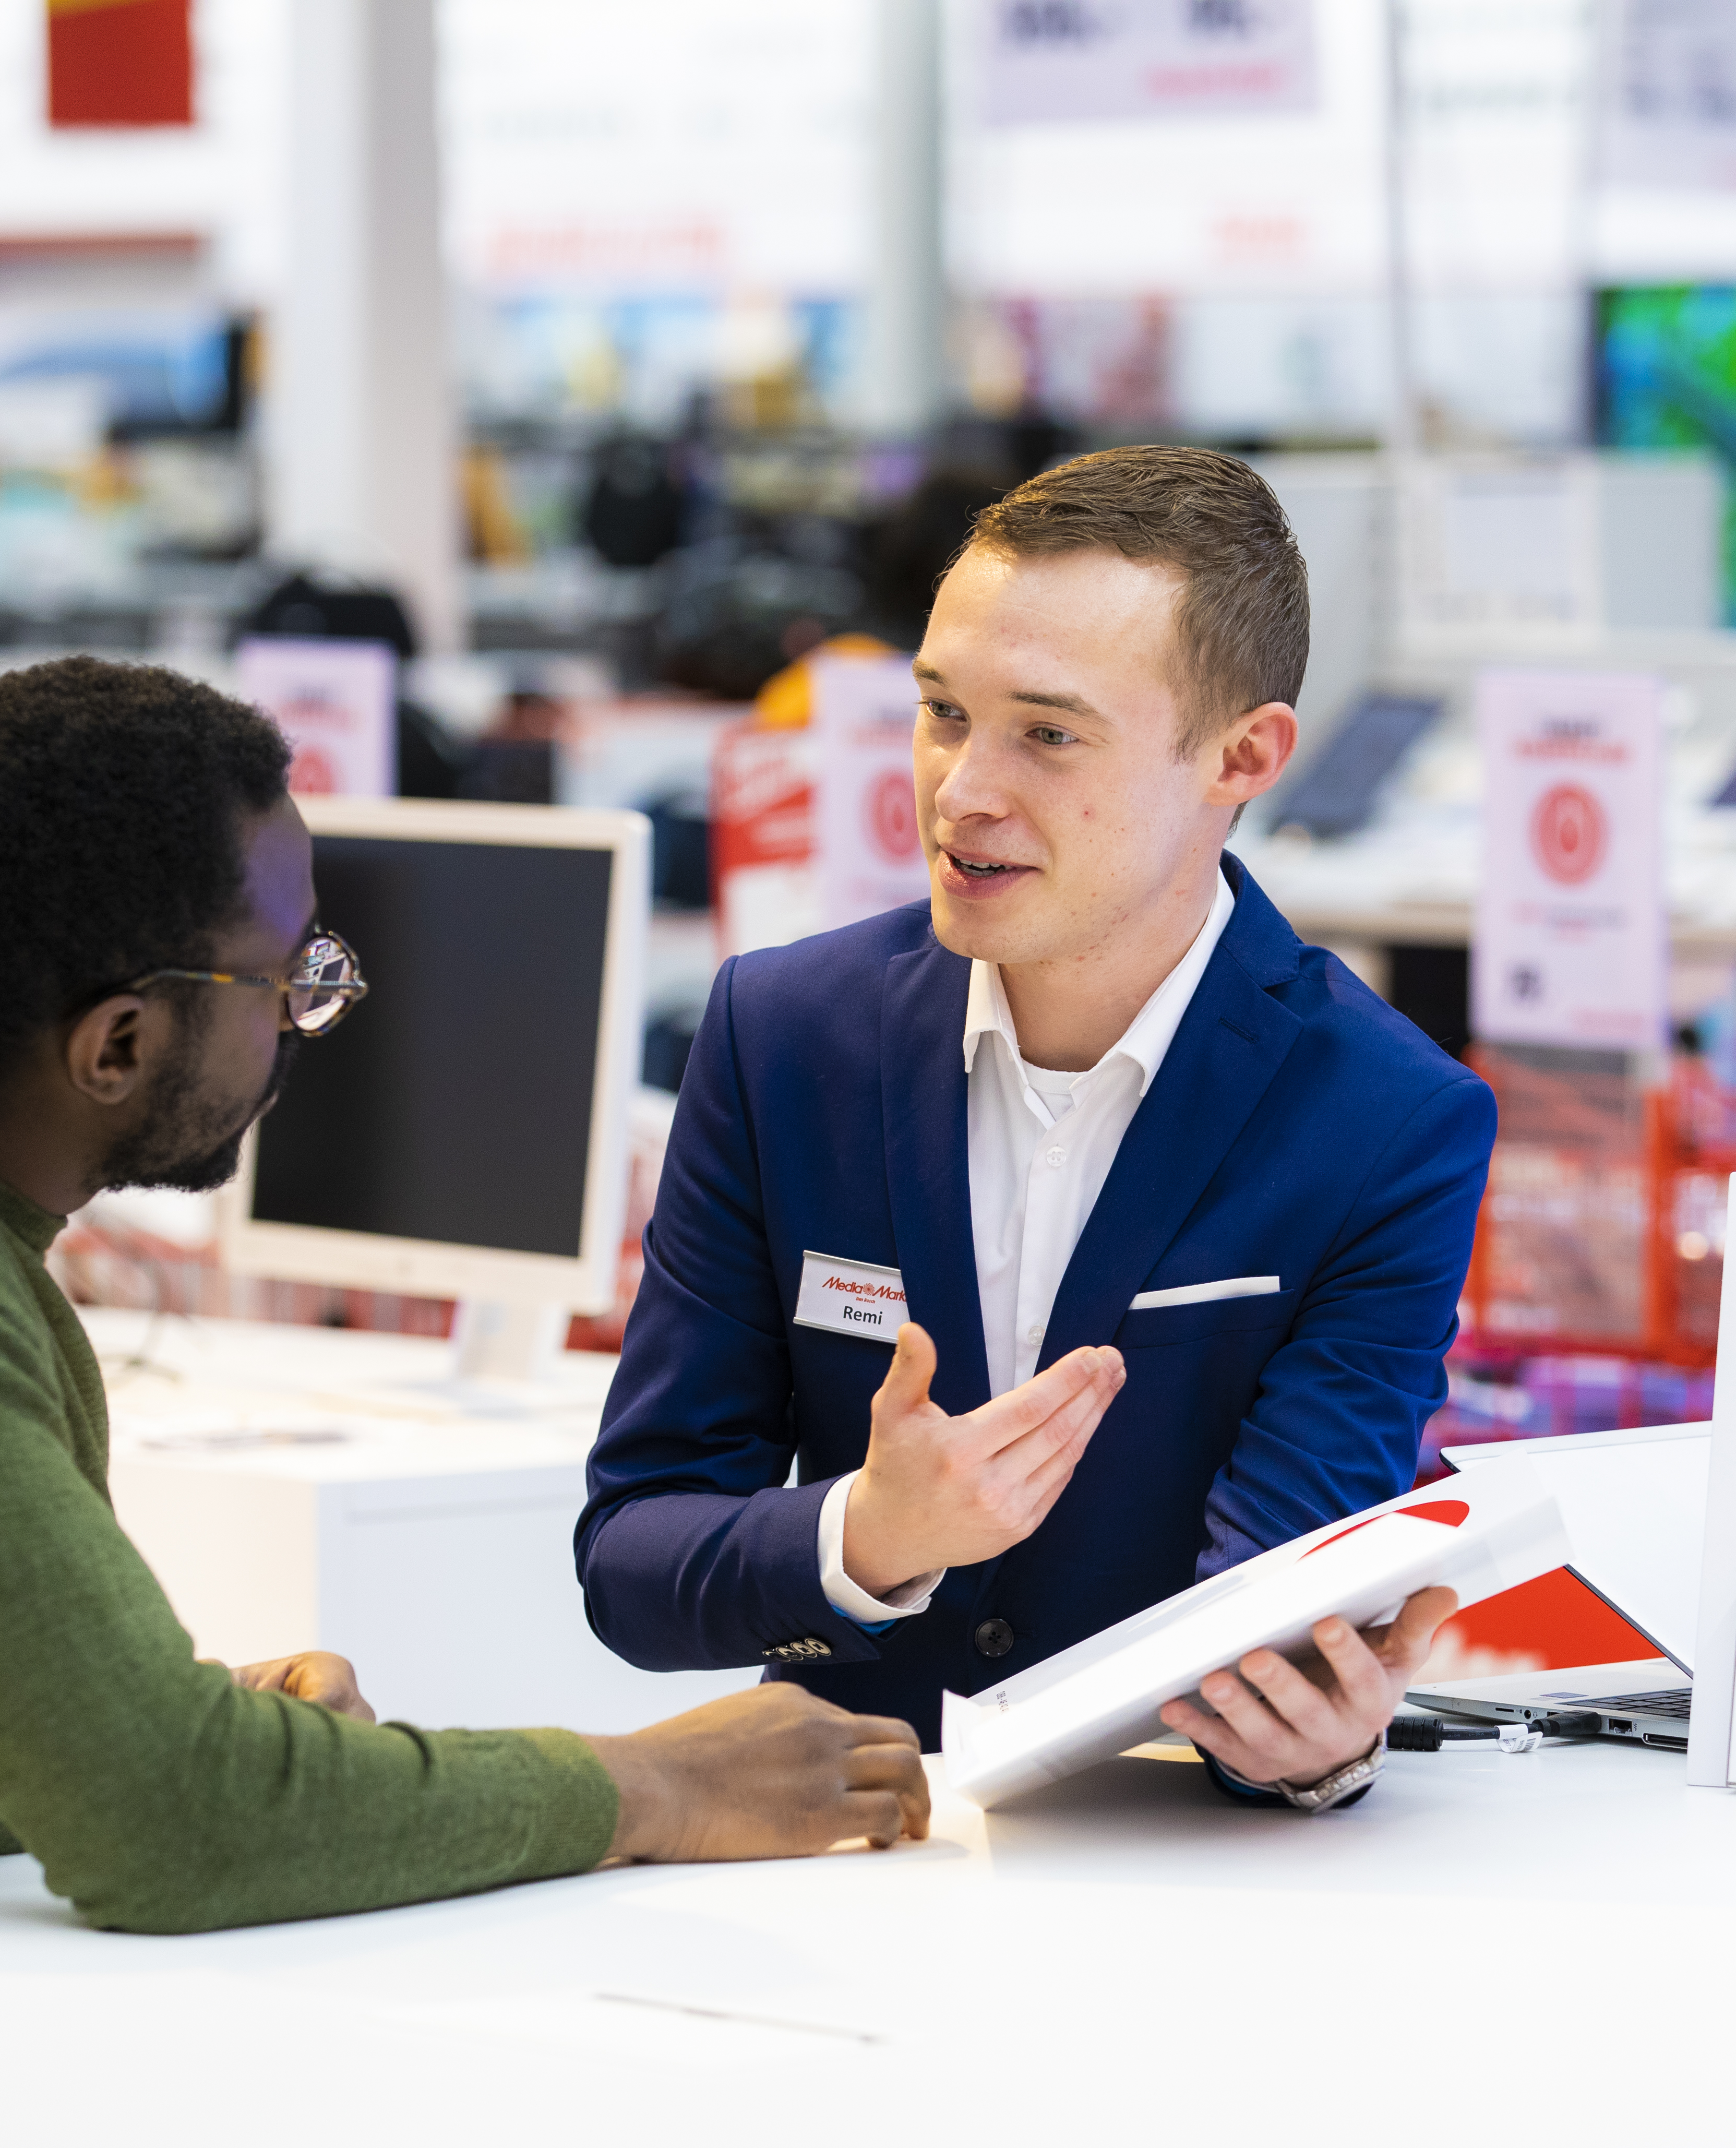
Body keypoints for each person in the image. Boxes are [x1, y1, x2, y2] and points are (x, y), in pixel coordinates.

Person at [0, 657, 925, 1934]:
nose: (304, 1028)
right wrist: (664, 1784)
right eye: (287, 983)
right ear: (117, 1047)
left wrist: (195, 1719)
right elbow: (172, 1826)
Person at [577, 447, 1498, 1809]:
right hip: (853, 1865)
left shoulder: (1385, 1120)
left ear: (1242, 756)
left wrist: (1321, 1751)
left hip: (1174, 1901)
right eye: (944, 712)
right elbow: (634, 1564)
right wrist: (864, 1538)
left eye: (1048, 733)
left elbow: (1272, 1608)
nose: (961, 792)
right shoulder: (785, 1038)